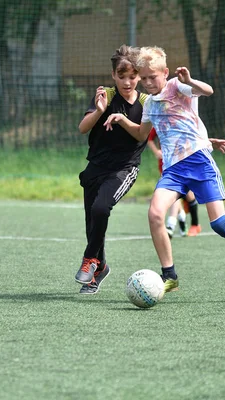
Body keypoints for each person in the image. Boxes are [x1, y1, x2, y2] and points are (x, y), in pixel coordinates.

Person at [104, 46, 225, 293]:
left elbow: (208, 91)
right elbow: (140, 133)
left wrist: (189, 80)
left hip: (199, 163)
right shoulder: (149, 104)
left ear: (165, 72)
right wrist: (122, 118)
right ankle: (169, 275)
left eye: (152, 77)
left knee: (219, 224)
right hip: (173, 170)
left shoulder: (176, 86)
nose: (147, 82)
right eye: (143, 78)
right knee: (156, 214)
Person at [74, 45, 148, 295]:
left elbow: (144, 134)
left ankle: (89, 260)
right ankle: (100, 267)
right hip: (95, 168)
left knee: (101, 207)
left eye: (133, 76)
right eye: (122, 76)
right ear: (113, 75)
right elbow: (83, 128)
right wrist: (99, 111)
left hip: (124, 169)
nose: (127, 82)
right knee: (93, 225)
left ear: (139, 76)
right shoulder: (104, 95)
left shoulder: (146, 103)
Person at [146, 127, 202, 238]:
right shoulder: (159, 121)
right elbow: (149, 138)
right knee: (174, 191)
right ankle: (174, 224)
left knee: (188, 195)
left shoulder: (181, 121)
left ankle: (193, 224)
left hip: (183, 160)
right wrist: (156, 151)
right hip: (166, 162)